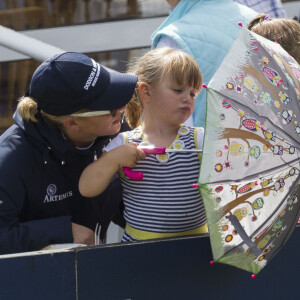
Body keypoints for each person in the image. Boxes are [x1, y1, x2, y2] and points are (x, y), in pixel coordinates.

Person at [0, 51, 138, 254]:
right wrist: (62, 231)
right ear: (72, 123)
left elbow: (130, 212)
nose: (123, 107)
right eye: (111, 109)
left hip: (96, 272)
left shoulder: (116, 133)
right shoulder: (10, 160)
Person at [79, 47, 208, 242]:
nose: (187, 99)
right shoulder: (124, 142)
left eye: (193, 93)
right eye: (178, 90)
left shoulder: (200, 139)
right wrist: (113, 159)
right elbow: (87, 188)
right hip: (139, 250)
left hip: (197, 246)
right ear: (146, 92)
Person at [151, 0, 257, 127]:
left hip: (204, 144)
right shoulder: (257, 20)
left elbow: (169, 126)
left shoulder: (173, 38)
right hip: (261, 141)